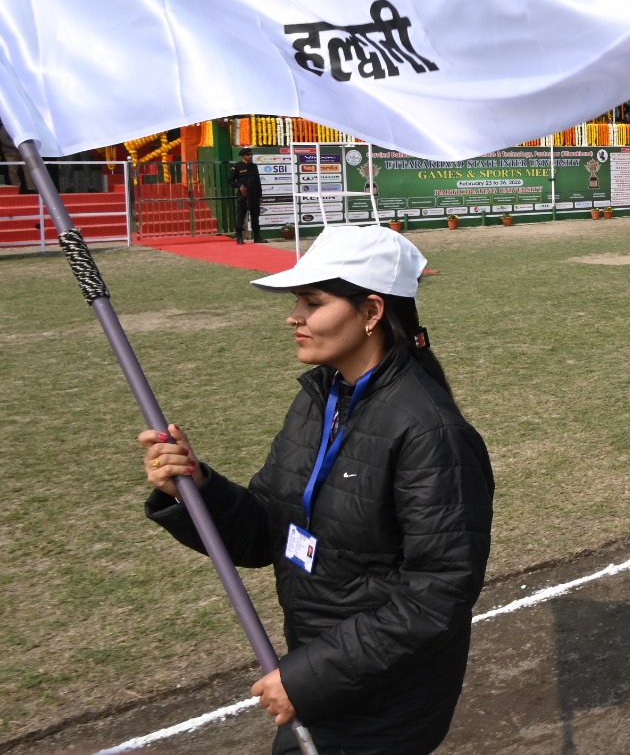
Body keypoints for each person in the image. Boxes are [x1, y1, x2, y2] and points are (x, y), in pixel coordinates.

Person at [138, 225, 494, 755]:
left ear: (372, 313)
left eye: (312, 301)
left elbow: (437, 597)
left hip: (385, 701)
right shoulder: (320, 396)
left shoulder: (431, 433)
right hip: (323, 672)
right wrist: (194, 486)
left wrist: (307, 680)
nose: (294, 317)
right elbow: (268, 532)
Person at [229, 145, 265, 244]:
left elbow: (258, 182)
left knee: (255, 215)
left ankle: (257, 236)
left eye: (251, 155)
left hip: (254, 194)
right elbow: (230, 180)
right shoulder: (237, 166)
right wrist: (239, 186)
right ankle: (239, 237)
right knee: (241, 215)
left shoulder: (254, 166)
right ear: (243, 156)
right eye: (248, 155)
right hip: (243, 195)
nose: (250, 156)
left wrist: (260, 196)